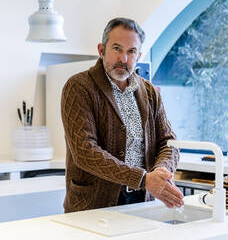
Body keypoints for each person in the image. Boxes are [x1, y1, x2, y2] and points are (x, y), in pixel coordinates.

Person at [61, 17, 184, 213]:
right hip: (93, 204)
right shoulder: (79, 87)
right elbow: (85, 151)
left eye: (131, 51)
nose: (123, 59)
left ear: (139, 55)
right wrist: (143, 179)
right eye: (117, 49)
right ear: (101, 50)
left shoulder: (150, 92)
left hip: (142, 199)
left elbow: (168, 142)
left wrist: (162, 171)